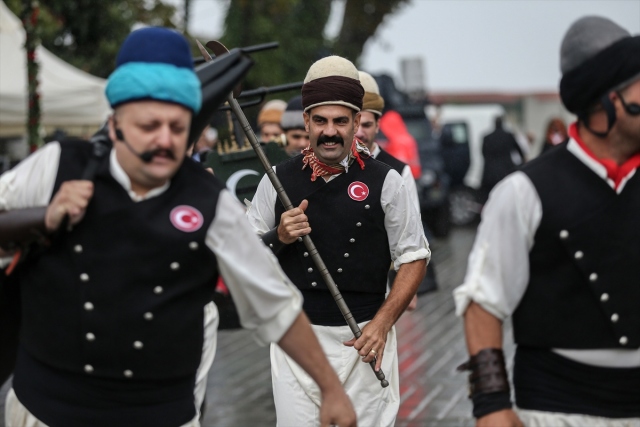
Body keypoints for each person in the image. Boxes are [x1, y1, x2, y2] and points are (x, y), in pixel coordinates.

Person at [0, 27, 357, 427]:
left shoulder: (209, 202)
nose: (165, 140)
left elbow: (276, 306)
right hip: (46, 412)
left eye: (177, 126)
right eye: (149, 125)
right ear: (115, 124)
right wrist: (44, 217)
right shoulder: (58, 165)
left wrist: (331, 389)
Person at [454, 16, 640, 427]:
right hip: (555, 410)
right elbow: (483, 302)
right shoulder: (523, 191)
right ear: (608, 98)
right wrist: (491, 405)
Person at [247, 55, 430, 427]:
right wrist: (279, 236)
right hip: (297, 342)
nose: (329, 132)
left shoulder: (387, 181)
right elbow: (243, 254)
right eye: (320, 121)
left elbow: (414, 256)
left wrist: (382, 324)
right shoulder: (277, 179)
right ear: (306, 122)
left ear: (356, 122)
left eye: (340, 121)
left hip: (366, 340)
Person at [354, 71, 421, 310]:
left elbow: (410, 233)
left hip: (380, 285)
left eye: (367, 124)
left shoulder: (398, 171)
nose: (360, 132)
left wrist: (406, 287)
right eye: (355, 124)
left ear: (378, 124)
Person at [480, 115, 524, 195]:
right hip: (506, 171)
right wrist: (521, 164)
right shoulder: (508, 136)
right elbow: (519, 151)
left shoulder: (487, 137)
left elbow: (483, 153)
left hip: (490, 173)